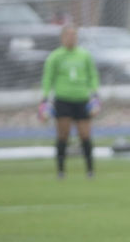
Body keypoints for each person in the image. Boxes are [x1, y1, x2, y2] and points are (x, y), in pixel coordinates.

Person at [39, 23, 100, 179]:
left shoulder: (84, 55)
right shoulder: (55, 56)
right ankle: (61, 171)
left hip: (82, 99)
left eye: (74, 35)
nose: (72, 38)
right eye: (68, 35)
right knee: (63, 135)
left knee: (85, 134)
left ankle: (90, 170)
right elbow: (48, 78)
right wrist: (45, 99)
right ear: (62, 37)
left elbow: (92, 76)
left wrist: (95, 96)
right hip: (63, 100)